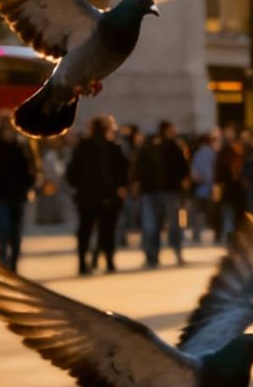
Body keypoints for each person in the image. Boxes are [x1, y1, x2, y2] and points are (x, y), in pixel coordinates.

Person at [67, 116, 129, 274]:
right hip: (108, 195)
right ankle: (109, 262)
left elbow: (72, 172)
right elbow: (123, 172)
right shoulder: (113, 147)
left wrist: (77, 186)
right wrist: (120, 188)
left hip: (86, 195)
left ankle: (82, 263)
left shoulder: (83, 146)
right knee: (107, 229)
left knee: (85, 229)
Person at [0, 111, 39, 270]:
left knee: (15, 228)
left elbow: (32, 168)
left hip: (18, 193)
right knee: (3, 226)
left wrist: (30, 184)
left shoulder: (22, 144)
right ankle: (2, 254)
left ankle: (13, 258)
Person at [133, 119, 190, 267]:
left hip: (163, 191)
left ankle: (157, 255)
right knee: (157, 226)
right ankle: (156, 256)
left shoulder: (171, 146)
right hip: (160, 191)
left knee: (160, 226)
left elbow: (183, 170)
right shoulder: (167, 146)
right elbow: (184, 169)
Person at [214, 126, 245, 242]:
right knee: (227, 211)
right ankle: (230, 234)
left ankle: (235, 233)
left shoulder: (241, 150)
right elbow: (219, 170)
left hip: (237, 188)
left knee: (236, 212)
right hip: (227, 187)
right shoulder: (224, 152)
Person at [189, 130, 218, 243]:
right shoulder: (210, 153)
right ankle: (215, 234)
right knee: (211, 212)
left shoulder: (197, 154)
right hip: (209, 187)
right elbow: (209, 172)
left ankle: (197, 234)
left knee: (199, 212)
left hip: (199, 188)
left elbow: (194, 172)